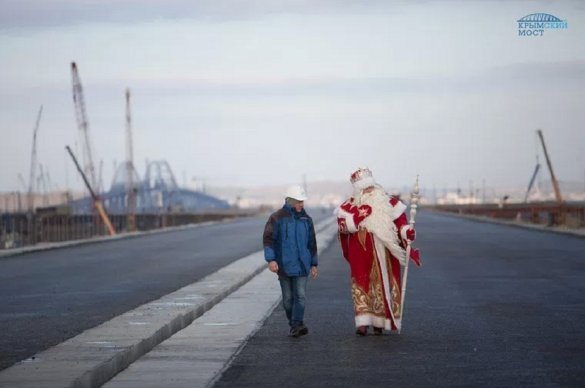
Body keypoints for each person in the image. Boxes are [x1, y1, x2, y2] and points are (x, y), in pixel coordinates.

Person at [335, 168, 420, 336]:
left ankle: (380, 322)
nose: (369, 190)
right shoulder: (348, 206)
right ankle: (363, 322)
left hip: (384, 252)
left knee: (382, 284)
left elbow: (400, 224)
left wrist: (406, 232)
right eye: (364, 188)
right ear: (358, 190)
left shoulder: (390, 203)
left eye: (370, 187)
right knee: (362, 283)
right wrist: (357, 217)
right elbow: (342, 227)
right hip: (360, 253)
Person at [263, 184, 319, 337]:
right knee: (288, 299)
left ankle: (296, 324)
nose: (302, 204)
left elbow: (312, 243)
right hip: (284, 265)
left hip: (302, 265)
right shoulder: (276, 218)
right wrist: (271, 260)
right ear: (290, 200)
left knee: (300, 296)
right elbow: (268, 239)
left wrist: (314, 263)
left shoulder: (306, 219)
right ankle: (294, 323)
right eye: (299, 201)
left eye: (302, 201)